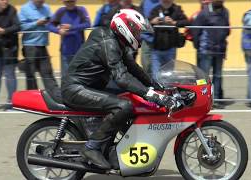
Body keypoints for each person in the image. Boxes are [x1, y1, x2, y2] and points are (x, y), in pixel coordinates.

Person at [61, 9, 180, 169]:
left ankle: (115, 146)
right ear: (126, 28)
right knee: (123, 106)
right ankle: (92, 148)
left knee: (131, 99)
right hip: (75, 88)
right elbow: (122, 77)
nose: (139, 36)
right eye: (137, 31)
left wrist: (157, 86)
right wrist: (150, 94)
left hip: (89, 86)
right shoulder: (108, 42)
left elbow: (133, 68)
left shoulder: (117, 42)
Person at [18, 0, 60, 99]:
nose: (42, 2)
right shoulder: (25, 8)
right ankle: (33, 98)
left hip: (43, 45)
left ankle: (56, 97)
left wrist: (56, 24)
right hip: (29, 46)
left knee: (48, 72)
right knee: (31, 74)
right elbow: (20, 27)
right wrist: (36, 23)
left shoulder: (46, 7)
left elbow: (53, 23)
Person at [192, 0, 230, 109]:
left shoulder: (226, 12)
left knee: (218, 76)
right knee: (204, 77)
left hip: (220, 50)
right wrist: (198, 45)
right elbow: (195, 31)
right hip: (206, 50)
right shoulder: (204, 12)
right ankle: (203, 100)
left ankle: (216, 99)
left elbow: (226, 29)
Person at [0, 0, 20, 111]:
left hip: (9, 49)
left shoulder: (12, 10)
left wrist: (3, 31)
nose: (5, 1)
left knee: (10, 76)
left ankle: (12, 103)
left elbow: (17, 26)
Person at [49, 0, 91, 77]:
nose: (70, 3)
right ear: (64, 2)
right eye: (67, 2)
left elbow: (88, 24)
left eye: (72, 1)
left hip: (79, 49)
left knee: (80, 76)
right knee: (66, 76)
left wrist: (71, 27)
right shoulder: (61, 11)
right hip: (65, 50)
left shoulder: (81, 10)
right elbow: (50, 25)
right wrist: (58, 31)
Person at [149, 0, 189, 79]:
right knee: (155, 76)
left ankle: (166, 91)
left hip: (170, 48)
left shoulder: (177, 9)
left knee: (169, 76)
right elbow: (145, 23)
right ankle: (158, 91)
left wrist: (174, 22)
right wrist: (153, 22)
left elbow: (186, 22)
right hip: (156, 49)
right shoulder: (156, 9)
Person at [139, 0, 160, 74]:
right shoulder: (144, 3)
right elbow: (139, 21)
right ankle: (148, 84)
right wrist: (151, 22)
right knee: (146, 65)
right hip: (147, 39)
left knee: (160, 67)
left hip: (161, 41)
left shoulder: (164, 2)